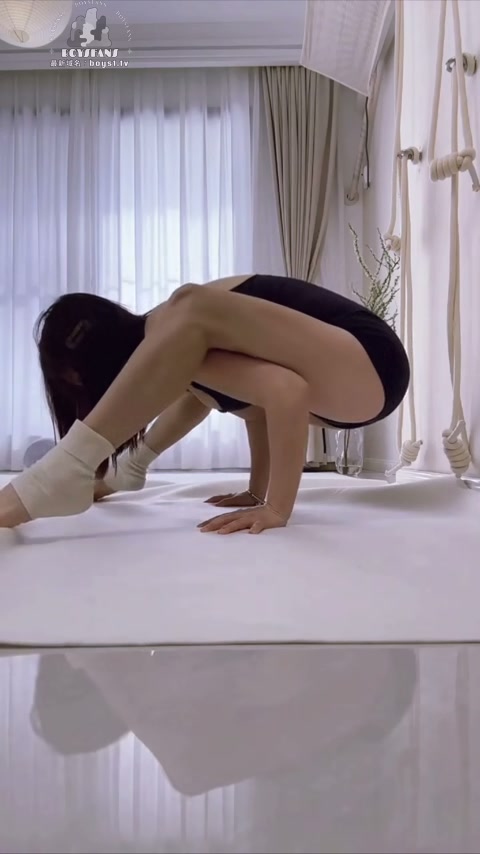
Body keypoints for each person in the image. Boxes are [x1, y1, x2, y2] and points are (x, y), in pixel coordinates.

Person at [0, 274, 410, 534]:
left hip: (372, 361)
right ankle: (101, 469)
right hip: (358, 387)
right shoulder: (186, 354)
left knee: (188, 303)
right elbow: (260, 404)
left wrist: (277, 508)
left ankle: (63, 472)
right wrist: (257, 491)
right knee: (190, 339)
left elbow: (288, 393)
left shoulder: (178, 325)